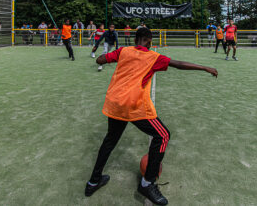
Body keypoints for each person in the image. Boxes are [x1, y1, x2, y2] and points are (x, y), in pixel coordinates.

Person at [85, 27, 218, 205]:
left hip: (114, 102)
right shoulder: (153, 57)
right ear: (148, 41)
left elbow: (100, 60)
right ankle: (147, 183)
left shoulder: (123, 51)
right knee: (162, 135)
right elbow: (178, 64)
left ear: (135, 40)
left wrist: (106, 57)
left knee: (110, 140)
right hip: (134, 106)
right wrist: (204, 67)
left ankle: (93, 182)